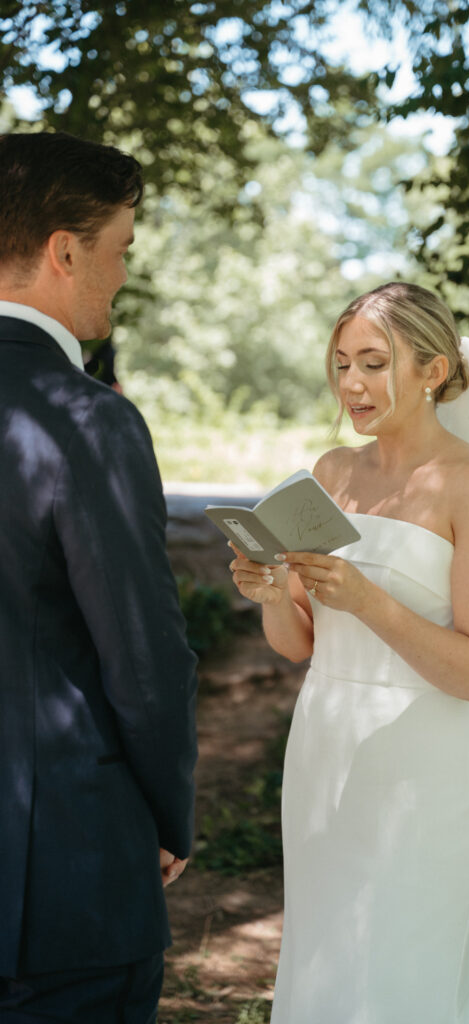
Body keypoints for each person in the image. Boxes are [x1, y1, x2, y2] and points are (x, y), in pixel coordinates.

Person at [230, 281, 469, 1023]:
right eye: (341, 364)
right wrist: (271, 590)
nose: (352, 384)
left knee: (403, 971)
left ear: (432, 371)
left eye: (372, 362)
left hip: (425, 768)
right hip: (325, 749)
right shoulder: (331, 475)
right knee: (325, 959)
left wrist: (368, 600)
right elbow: (300, 642)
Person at [0, 132, 198, 1023]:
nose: (122, 274)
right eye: (120, 249)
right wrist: (164, 815)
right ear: (64, 250)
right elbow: (144, 656)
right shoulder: (90, 422)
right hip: (60, 887)